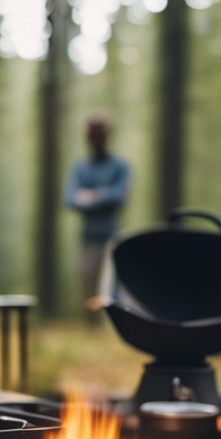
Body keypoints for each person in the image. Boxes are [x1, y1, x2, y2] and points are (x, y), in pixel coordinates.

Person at [64, 115, 130, 306]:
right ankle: (90, 328)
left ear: (108, 135)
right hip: (87, 238)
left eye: (100, 133)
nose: (97, 138)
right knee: (88, 285)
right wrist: (103, 196)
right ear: (88, 137)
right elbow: (69, 198)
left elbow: (118, 197)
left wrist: (89, 196)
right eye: (93, 134)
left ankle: (109, 326)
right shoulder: (80, 167)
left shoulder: (120, 166)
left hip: (111, 236)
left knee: (110, 289)